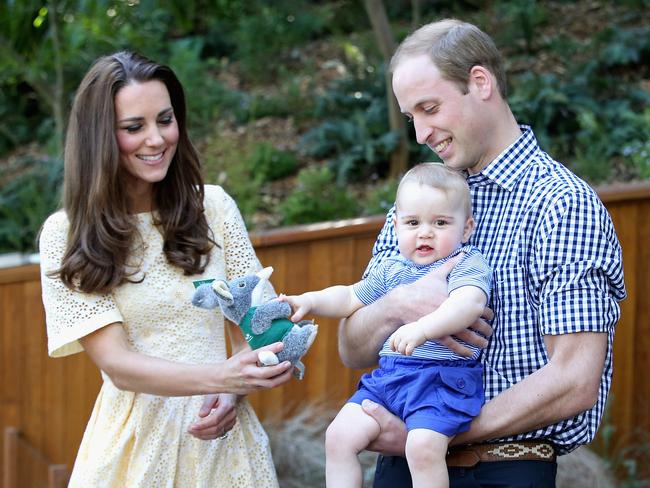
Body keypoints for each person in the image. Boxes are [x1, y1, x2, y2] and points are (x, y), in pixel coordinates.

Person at [337, 19, 626, 487]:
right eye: (412, 117)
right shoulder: (418, 205)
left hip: (504, 470)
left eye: (430, 109)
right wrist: (396, 305)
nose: (421, 134)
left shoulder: (560, 203)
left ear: (480, 82)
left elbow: (574, 378)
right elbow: (351, 348)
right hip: (399, 467)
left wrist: (436, 433)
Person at [38, 51, 295, 487]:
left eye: (165, 119)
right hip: (133, 448)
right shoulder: (67, 233)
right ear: (98, 137)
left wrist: (232, 389)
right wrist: (222, 376)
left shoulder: (213, 206)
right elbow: (118, 364)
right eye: (134, 127)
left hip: (225, 445)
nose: (156, 139)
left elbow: (256, 325)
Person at [280, 163, 492, 487]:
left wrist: (423, 328)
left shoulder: (464, 262)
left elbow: (469, 303)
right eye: (413, 222)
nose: (425, 232)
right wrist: (309, 300)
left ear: (465, 229)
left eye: (440, 222)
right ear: (395, 226)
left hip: (439, 381)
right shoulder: (394, 268)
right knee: (338, 436)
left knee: (421, 447)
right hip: (390, 379)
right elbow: (349, 297)